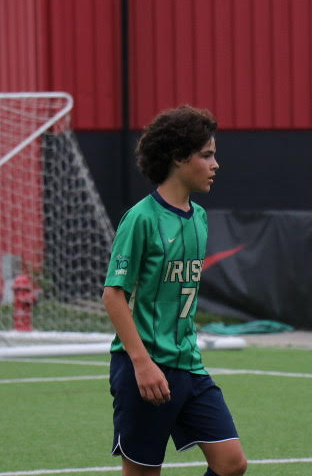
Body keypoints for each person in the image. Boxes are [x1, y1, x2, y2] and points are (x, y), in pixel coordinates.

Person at [102, 106, 247, 476]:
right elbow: (113, 294)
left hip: (189, 366)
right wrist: (142, 363)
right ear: (179, 158)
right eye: (207, 155)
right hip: (146, 367)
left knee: (231, 464)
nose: (216, 164)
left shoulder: (198, 217)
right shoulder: (141, 218)